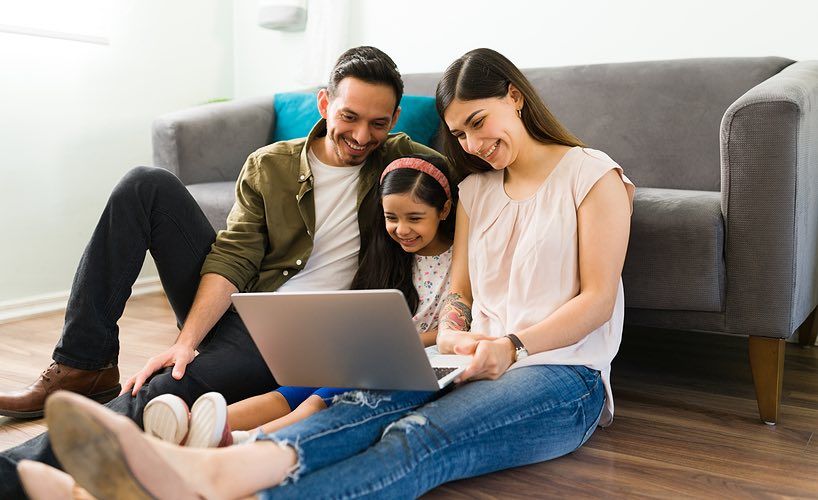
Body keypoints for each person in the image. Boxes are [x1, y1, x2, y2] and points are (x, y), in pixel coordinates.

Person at [17, 47, 635, 499]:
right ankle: (140, 433)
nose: (471, 143)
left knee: (408, 434)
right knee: (347, 409)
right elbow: (463, 297)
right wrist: (452, 331)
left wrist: (508, 343)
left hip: (554, 368)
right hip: (416, 349)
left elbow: (597, 300)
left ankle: (180, 480)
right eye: (458, 133)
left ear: (515, 98)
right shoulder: (473, 190)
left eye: (478, 123)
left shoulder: (583, 175)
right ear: (324, 105)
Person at [0, 45, 443, 499]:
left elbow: (474, 182)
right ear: (325, 103)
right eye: (350, 116)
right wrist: (185, 342)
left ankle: (13, 471)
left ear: (394, 121)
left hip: (298, 340)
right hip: (244, 303)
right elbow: (234, 256)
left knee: (162, 390)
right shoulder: (270, 164)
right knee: (145, 185)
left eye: (379, 123)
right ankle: (82, 365)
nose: (362, 135)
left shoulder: (403, 163)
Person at [139, 154, 457, 448]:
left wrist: (400, 342)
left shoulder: (458, 262)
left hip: (423, 360)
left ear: (443, 211)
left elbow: (452, 330)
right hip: (369, 353)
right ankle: (190, 426)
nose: (401, 230)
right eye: (392, 218)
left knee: (316, 402)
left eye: (415, 218)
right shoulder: (387, 255)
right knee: (287, 393)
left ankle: (243, 441)